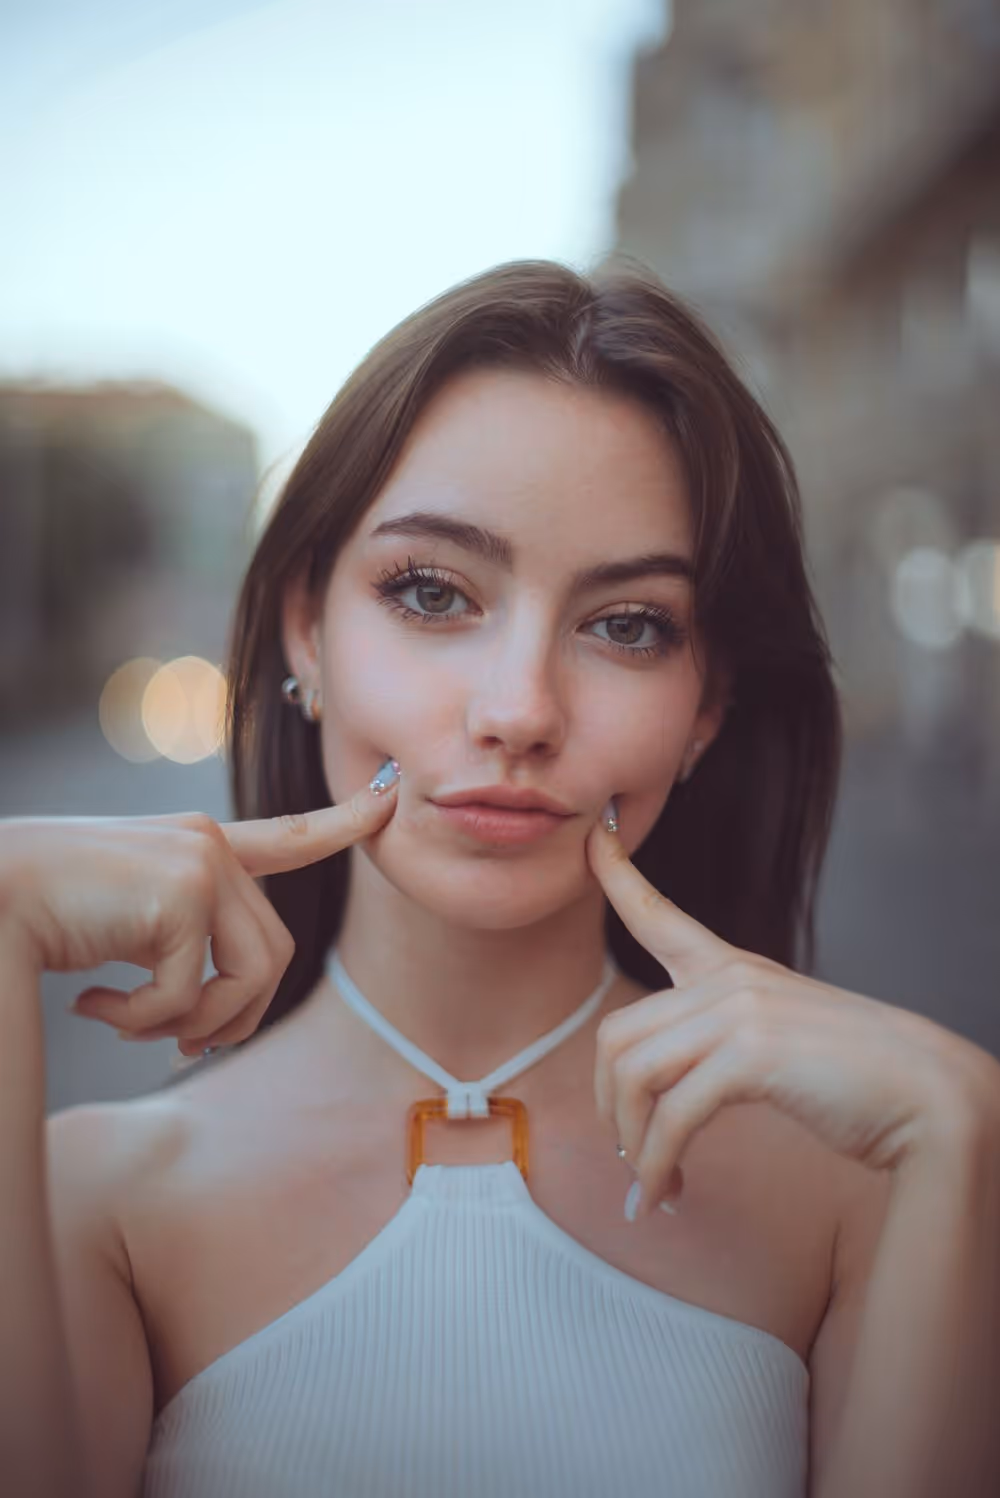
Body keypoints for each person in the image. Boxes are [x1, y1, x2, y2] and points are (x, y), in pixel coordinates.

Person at [3, 257, 998, 1498]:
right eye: (431, 592)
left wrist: (960, 1132)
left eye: (627, 623)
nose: (520, 710)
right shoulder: (92, 1205)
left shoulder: (868, 1183)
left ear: (707, 707)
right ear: (308, 630)